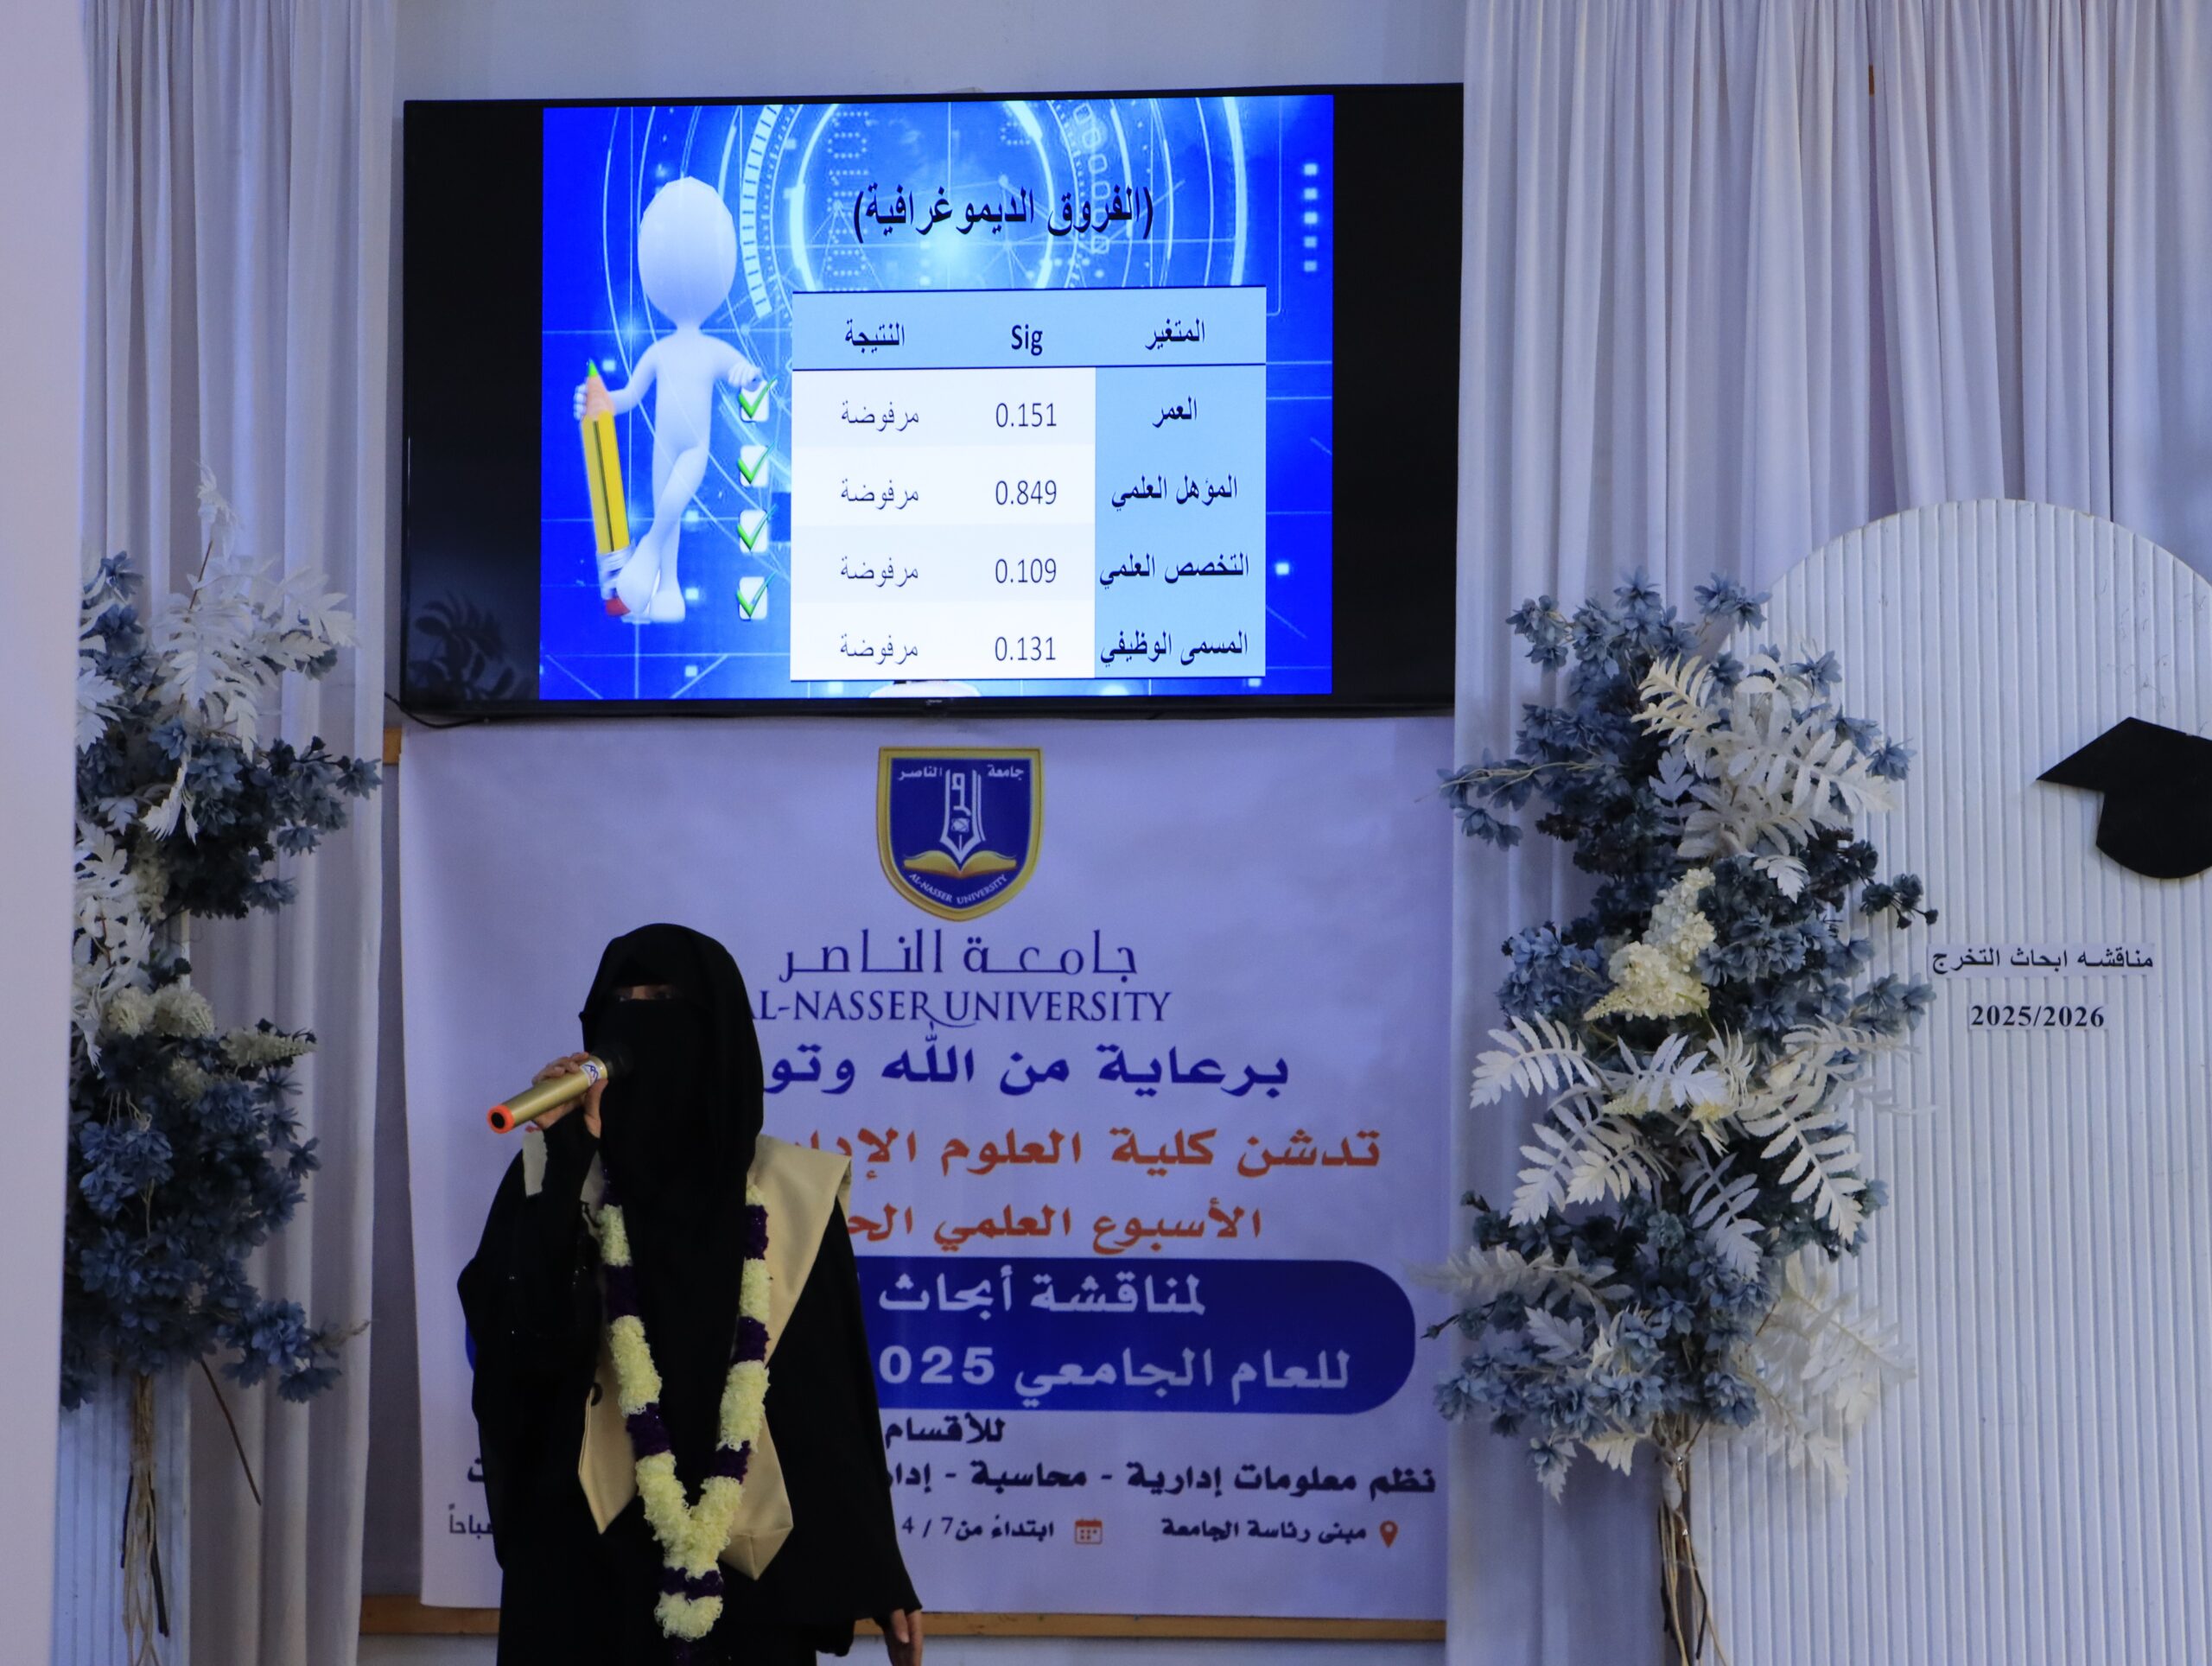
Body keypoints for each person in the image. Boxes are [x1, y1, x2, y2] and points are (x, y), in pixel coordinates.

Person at [460, 924, 922, 1665]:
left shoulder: (790, 1193)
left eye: (664, 998)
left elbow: (830, 1394)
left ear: (720, 1033)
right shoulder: (556, 1176)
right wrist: (567, 1159)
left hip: (751, 1575)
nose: (640, 1018)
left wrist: (882, 1571)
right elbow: (522, 1349)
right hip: (584, 1569)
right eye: (623, 1001)